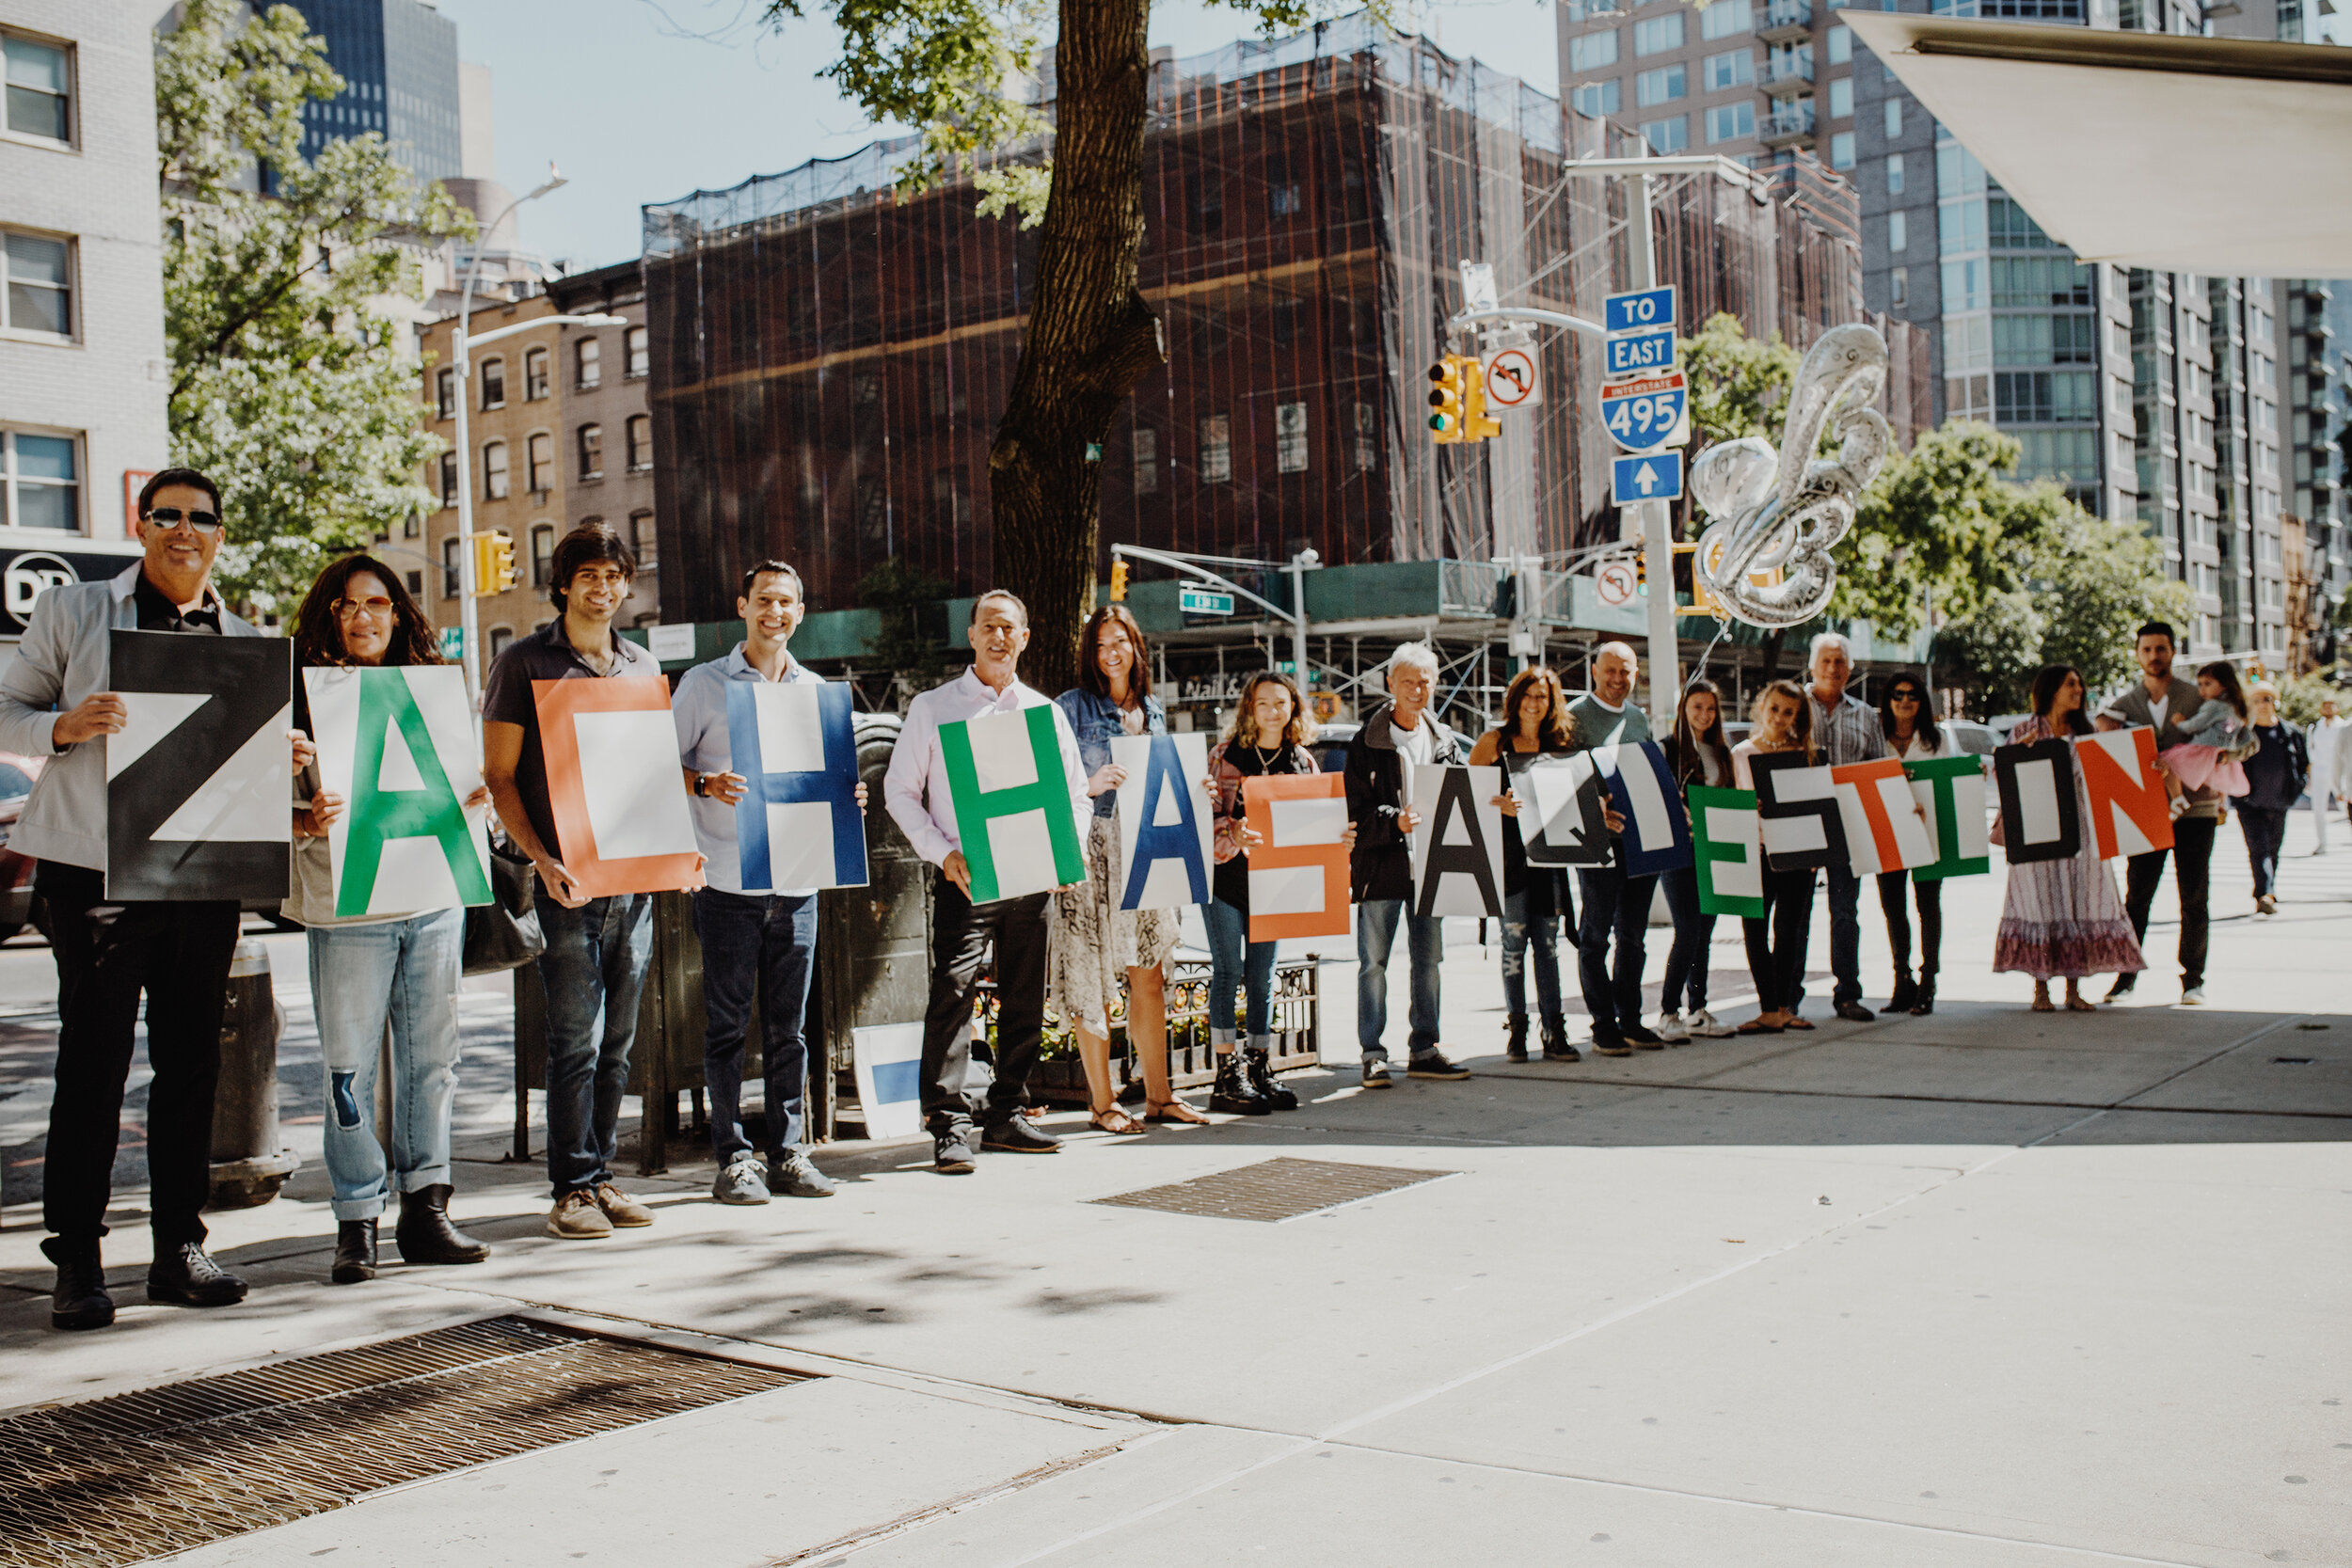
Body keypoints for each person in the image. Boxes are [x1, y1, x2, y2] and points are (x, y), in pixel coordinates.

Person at [0, 468, 313, 1330]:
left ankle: (180, 1246)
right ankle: (79, 1258)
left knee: (191, 1066)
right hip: (95, 873)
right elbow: (5, 708)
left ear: (219, 534)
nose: (184, 530)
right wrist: (62, 726)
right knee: (93, 1065)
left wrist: (276, 758)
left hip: (201, 876)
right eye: (166, 516)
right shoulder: (74, 612)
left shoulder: (247, 638)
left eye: (200, 518)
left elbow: (238, 779)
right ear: (140, 526)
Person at [289, 556, 494, 1284]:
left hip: (432, 895)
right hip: (346, 905)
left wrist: (475, 799)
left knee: (432, 1060)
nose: (364, 616)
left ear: (400, 613)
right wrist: (300, 814)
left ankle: (427, 1205)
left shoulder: (432, 693)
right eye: (347, 606)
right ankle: (355, 1218)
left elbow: (469, 788)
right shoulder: (299, 705)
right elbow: (252, 811)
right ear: (330, 617)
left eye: (378, 603)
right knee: (348, 1067)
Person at [483, 524, 674, 1239]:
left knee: (620, 1040)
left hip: (634, 885)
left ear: (627, 585)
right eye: (587, 575)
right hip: (566, 883)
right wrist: (541, 861)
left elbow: (649, 776)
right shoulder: (523, 661)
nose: (602, 587)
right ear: (563, 583)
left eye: (614, 575)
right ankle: (571, 1187)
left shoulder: (639, 664)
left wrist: (672, 855)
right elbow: (500, 780)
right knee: (576, 1040)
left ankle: (600, 1172)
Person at [673, 560, 864, 1206]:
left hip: (798, 881)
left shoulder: (816, 691)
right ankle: (733, 1157)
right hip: (728, 882)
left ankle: (786, 1150)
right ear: (743, 606)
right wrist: (704, 783)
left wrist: (848, 795)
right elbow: (658, 766)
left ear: (800, 612)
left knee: (791, 1028)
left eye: (785, 602)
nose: (774, 612)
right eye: (763, 600)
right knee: (727, 1025)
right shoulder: (703, 684)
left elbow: (823, 779)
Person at [883, 591, 1089, 1173]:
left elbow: (1075, 796)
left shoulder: (1044, 713)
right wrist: (942, 854)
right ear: (971, 635)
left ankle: (1007, 1114)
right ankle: (948, 1124)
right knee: (952, 993)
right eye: (988, 627)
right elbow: (899, 791)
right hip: (965, 879)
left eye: (1010, 629)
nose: (999, 637)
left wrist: (1061, 857)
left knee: (1026, 994)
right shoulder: (933, 708)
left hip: (1031, 880)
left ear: (1025, 638)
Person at [1052, 605, 1206, 1132]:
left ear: (1136, 647)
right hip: (1093, 847)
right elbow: (1047, 781)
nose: (1110, 652)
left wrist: (1194, 794)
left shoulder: (1154, 710)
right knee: (1089, 977)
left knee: (1151, 976)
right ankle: (1103, 1103)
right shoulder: (1070, 707)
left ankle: (1160, 1097)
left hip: (1147, 844)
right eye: (1100, 644)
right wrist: (1088, 785)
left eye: (1119, 641)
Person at [1344, 641, 1488, 1088]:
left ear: (1435, 684)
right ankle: (1372, 1053)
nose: (1417, 688)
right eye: (1408, 680)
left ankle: (1424, 1048)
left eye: (1425, 680)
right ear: (1390, 684)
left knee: (1429, 961)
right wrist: (1397, 822)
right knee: (1374, 964)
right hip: (1382, 869)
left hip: (1432, 869)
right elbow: (1353, 814)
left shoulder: (1445, 740)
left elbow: (1462, 801)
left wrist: (1493, 804)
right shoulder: (1366, 741)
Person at [1205, 673, 1351, 1112]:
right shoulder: (1225, 756)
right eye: (1263, 703)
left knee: (1262, 977)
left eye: (1281, 703)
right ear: (1250, 708)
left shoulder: (1302, 761)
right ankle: (1226, 1075)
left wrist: (1337, 840)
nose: (1272, 711)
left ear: (1294, 709)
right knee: (1229, 972)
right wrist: (1233, 830)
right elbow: (1204, 816)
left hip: (1275, 886)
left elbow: (1315, 825)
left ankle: (1259, 1066)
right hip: (1227, 879)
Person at [1995, 666, 2145, 1011]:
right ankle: (2041, 989)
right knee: (2042, 901)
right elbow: (2003, 775)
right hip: (2038, 829)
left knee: (2078, 902)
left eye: (2080, 684)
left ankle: (2074, 989)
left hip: (2081, 830)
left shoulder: (2087, 734)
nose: (2078, 690)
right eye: (2070, 684)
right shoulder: (2025, 730)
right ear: (2051, 690)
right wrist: (2021, 751)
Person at [2096, 623, 2222, 1006]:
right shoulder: (2121, 706)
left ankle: (2193, 980)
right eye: (2147, 649)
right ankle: (2125, 976)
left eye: (2161, 649)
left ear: (2173, 652)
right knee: (2138, 897)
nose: (2154, 656)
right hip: (2144, 813)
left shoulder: (2199, 698)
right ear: (2137, 654)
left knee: (2194, 896)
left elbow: (2233, 738)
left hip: (2196, 808)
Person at [1469, 667, 1582, 1062]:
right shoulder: (1494, 743)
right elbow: (1465, 797)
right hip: (1508, 860)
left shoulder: (1559, 743)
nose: (1535, 703)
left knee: (1547, 948)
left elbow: (1571, 803)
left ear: (1552, 703)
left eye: (1543, 696)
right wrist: (1497, 804)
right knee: (1513, 944)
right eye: (1529, 695)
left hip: (1549, 862)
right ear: (1515, 698)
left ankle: (1554, 1030)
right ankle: (1516, 1030)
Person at [1566, 641, 1658, 1055]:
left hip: (1640, 842)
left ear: (1635, 674)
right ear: (1595, 672)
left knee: (1634, 938)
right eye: (1610, 672)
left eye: (1626, 672)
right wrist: (1592, 812)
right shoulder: (1575, 717)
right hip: (1596, 844)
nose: (1618, 680)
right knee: (1596, 936)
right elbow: (1561, 776)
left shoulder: (1639, 719)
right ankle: (1602, 1023)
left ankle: (1631, 1019)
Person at [1801, 631, 1886, 1022]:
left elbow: (1879, 771)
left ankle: (1848, 994)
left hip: (1848, 828)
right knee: (1794, 912)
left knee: (1845, 913)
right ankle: (1786, 997)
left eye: (1840, 662)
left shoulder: (1866, 716)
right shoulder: (1792, 706)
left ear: (1850, 669)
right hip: (1799, 824)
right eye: (1826, 661)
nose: (1833, 669)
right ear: (1812, 666)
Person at [1730, 681, 1819, 1035]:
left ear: (1796, 717)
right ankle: (1767, 1007)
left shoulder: (1804, 754)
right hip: (1755, 852)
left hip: (1794, 852)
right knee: (1754, 928)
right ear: (1762, 707)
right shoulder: (1740, 753)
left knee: (1788, 931)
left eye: (1788, 712)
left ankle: (1783, 1006)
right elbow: (1729, 801)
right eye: (1775, 708)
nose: (1779, 717)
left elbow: (1815, 806)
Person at [1657, 678, 1737, 1041]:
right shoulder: (1667, 750)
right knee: (1687, 928)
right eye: (1696, 707)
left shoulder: (1722, 752)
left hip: (1713, 848)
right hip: (1679, 851)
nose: (1703, 715)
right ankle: (1668, 1011)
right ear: (1683, 710)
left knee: (1704, 932)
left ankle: (1697, 1009)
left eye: (1710, 708)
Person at [1874, 672, 1955, 1017]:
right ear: (1888, 700)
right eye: (1897, 694)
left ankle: (1928, 983)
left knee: (1928, 907)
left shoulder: (1936, 740)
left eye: (1912, 695)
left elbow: (1951, 779)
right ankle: (1901, 980)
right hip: (1887, 832)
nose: (1905, 701)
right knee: (1893, 909)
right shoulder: (1877, 739)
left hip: (1929, 833)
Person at [2235, 681, 2306, 917]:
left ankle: (2267, 890)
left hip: (2280, 802)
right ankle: (2265, 894)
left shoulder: (2291, 732)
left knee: (2274, 848)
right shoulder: (2245, 735)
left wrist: (2297, 789)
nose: (2262, 705)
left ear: (2275, 702)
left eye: (2266, 699)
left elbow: (2303, 765)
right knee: (2259, 848)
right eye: (2256, 700)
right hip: (2249, 804)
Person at [2152, 660, 2251, 815]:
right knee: (2217, 780)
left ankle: (2178, 798)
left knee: (2167, 761)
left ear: (2224, 684)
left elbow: (2196, 725)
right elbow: (2247, 739)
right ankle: (2221, 802)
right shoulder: (2236, 708)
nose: (2202, 689)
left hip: (2202, 749)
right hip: (2222, 752)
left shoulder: (2213, 705)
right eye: (2200, 684)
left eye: (2207, 684)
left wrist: (2180, 723)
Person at [2305, 697, 2345, 854]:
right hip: (2319, 772)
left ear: (2337, 708)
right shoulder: (2315, 728)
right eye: (2325, 707)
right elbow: (2310, 752)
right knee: (2319, 809)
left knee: (2346, 808)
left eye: (2331, 707)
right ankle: (2322, 843)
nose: (2328, 710)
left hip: (2339, 773)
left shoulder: (2343, 727)